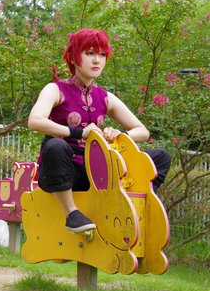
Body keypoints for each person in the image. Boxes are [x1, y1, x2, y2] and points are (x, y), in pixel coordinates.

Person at [27, 28, 171, 233]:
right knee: (56, 145)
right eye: (90, 53)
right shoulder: (56, 89)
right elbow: (34, 121)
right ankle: (71, 214)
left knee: (160, 157)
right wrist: (79, 133)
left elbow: (142, 131)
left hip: (95, 172)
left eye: (102, 55)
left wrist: (119, 135)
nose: (97, 60)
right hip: (61, 171)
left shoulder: (104, 97)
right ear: (73, 58)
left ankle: (140, 203)